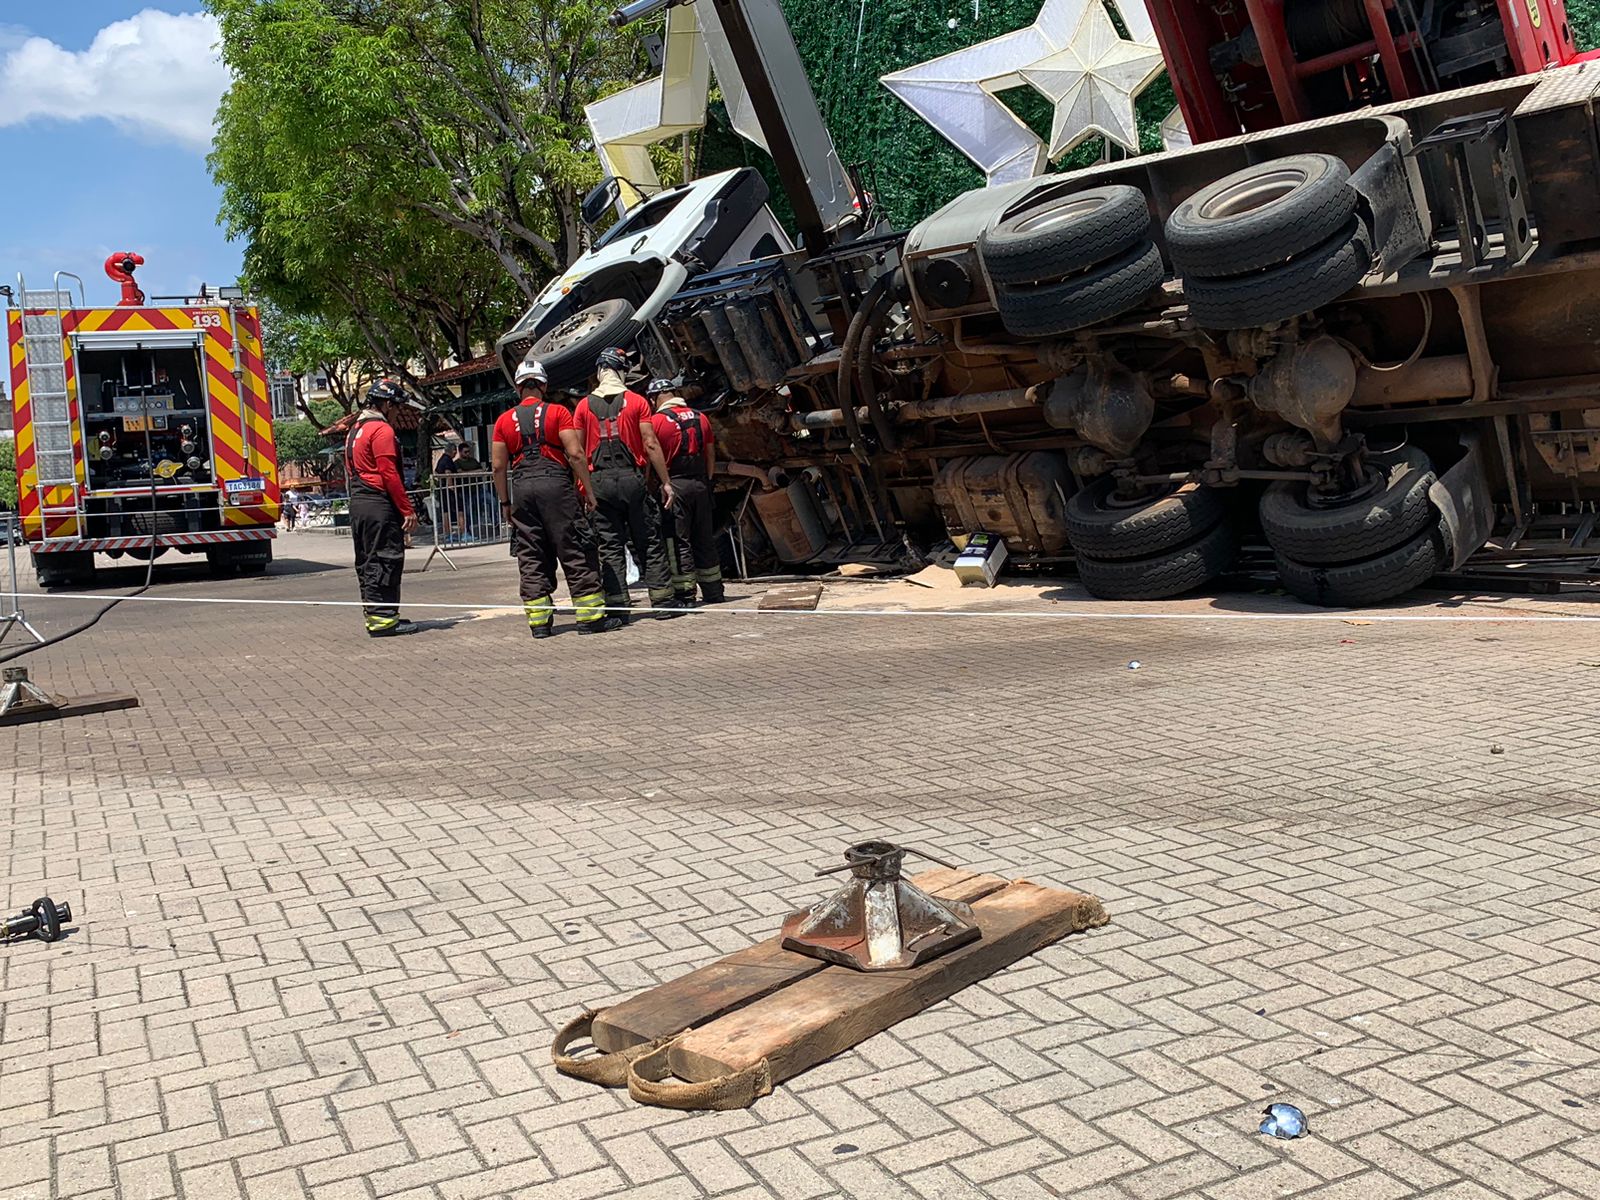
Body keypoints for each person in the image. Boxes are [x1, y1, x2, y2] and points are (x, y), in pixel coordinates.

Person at [491, 359, 620, 638]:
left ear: (518, 387)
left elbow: (499, 466)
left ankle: (539, 623)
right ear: (544, 385)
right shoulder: (558, 412)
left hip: (523, 489)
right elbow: (575, 454)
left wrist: (505, 503)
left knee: (531, 554)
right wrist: (588, 490)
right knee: (574, 546)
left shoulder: (503, 420)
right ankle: (590, 619)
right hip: (556, 486)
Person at [573, 348, 684, 618]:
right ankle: (663, 604)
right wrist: (666, 481)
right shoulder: (636, 402)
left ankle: (619, 609)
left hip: (599, 482)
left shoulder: (583, 406)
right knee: (648, 541)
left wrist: (584, 490)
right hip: (632, 479)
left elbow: (575, 451)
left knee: (610, 546)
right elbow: (650, 443)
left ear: (600, 371)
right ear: (622, 370)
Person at [345, 378, 419, 637]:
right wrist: (407, 509)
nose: (398, 412)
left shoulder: (355, 429)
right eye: (396, 407)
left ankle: (378, 614)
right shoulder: (382, 431)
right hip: (379, 503)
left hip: (359, 501)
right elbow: (389, 473)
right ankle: (385, 620)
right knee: (386, 559)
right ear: (386, 404)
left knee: (367, 561)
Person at [648, 378, 725, 605]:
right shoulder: (701, 417)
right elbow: (710, 454)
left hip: (675, 485)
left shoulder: (656, 421)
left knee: (678, 541)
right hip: (700, 484)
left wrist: (658, 485)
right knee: (704, 538)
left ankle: (685, 593)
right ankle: (714, 592)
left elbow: (652, 456)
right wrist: (708, 481)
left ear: (655, 398)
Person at [433, 436, 461, 543]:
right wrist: (451, 486)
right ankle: (455, 533)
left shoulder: (441, 459)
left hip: (442, 489)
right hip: (448, 490)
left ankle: (447, 534)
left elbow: (436, 473)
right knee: (457, 510)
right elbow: (448, 473)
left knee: (446, 511)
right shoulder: (448, 460)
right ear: (453, 451)